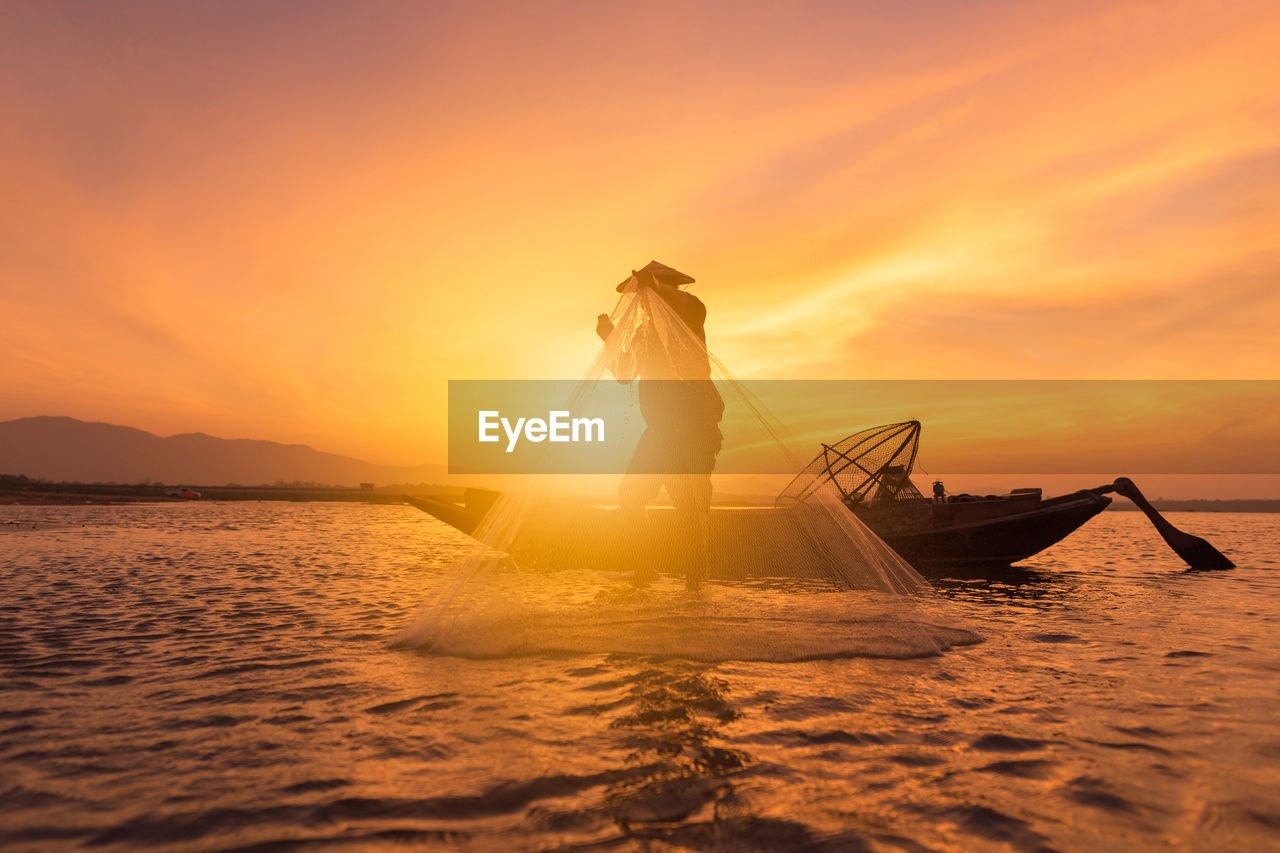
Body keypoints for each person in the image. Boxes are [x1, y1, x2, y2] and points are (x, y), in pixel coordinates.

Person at [595, 261, 724, 588]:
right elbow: (625, 375)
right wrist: (609, 338)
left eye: (650, 291)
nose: (644, 299)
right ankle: (645, 569)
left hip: (695, 426)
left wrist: (654, 285)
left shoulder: (690, 313)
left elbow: (689, 306)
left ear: (670, 289)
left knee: (691, 505)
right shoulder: (644, 332)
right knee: (630, 494)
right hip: (660, 431)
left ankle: (695, 582)